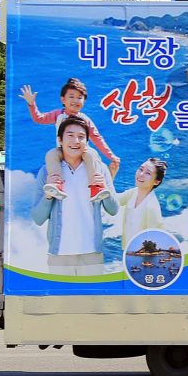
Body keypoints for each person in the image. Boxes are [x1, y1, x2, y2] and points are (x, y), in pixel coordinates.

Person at [30, 115, 119, 276]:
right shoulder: (47, 172)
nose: (75, 141)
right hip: (60, 255)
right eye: (70, 135)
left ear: (87, 142)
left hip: (92, 254)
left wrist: (104, 188)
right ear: (60, 140)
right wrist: (48, 196)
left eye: (81, 137)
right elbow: (37, 218)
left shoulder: (100, 169)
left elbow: (113, 209)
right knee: (60, 302)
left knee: (93, 300)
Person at [20, 78, 120, 202]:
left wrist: (111, 156)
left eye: (79, 97)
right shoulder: (58, 115)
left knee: (91, 154)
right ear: (63, 99)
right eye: (71, 96)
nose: (75, 100)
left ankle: (96, 188)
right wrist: (31, 104)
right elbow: (39, 118)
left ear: (84, 101)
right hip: (63, 151)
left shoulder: (85, 119)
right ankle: (57, 185)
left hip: (82, 151)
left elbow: (97, 138)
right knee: (51, 154)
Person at [110, 158, 168, 249]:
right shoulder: (133, 193)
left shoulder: (151, 207)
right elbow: (113, 199)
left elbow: (157, 238)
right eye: (141, 169)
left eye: (148, 173)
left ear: (157, 181)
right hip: (129, 252)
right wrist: (112, 174)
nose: (141, 174)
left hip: (142, 257)